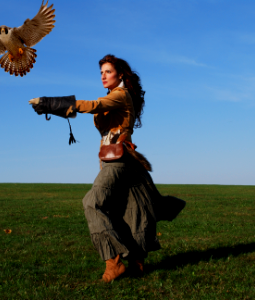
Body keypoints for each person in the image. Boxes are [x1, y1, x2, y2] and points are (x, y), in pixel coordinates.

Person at [29, 54, 185, 282]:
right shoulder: (115, 96)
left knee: (92, 202)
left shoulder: (121, 95)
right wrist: (53, 109)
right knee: (133, 209)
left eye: (108, 71)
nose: (103, 76)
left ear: (120, 74)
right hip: (118, 160)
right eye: (101, 72)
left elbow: (93, 106)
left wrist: (51, 103)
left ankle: (113, 264)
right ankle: (137, 264)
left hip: (118, 161)